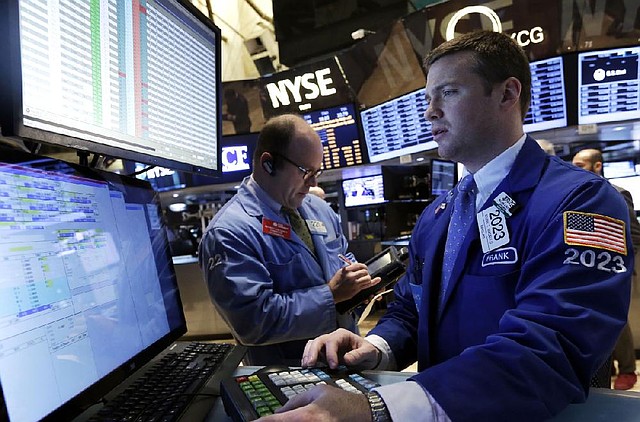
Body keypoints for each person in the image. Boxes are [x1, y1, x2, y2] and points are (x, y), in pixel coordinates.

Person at [262, 31, 633, 421]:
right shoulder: (440, 213)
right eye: (428, 98)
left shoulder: (581, 202)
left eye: (449, 93)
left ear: (508, 94)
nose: (430, 111)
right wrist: (374, 346)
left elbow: (551, 347)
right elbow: (410, 308)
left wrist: (377, 408)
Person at [198, 114, 380, 365]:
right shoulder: (229, 232)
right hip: (287, 377)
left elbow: (344, 263)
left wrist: (359, 288)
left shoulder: (321, 210)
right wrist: (330, 295)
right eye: (306, 172)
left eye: (317, 172)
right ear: (268, 164)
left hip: (346, 359)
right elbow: (252, 322)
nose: (314, 183)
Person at [572, 147, 640, 390]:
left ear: (597, 166)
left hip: (615, 268)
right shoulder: (575, 193)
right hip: (587, 267)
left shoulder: (618, 193)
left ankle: (628, 370)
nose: (574, 169)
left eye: (580, 165)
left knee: (617, 321)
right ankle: (607, 366)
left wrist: (614, 260)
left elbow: (633, 234)